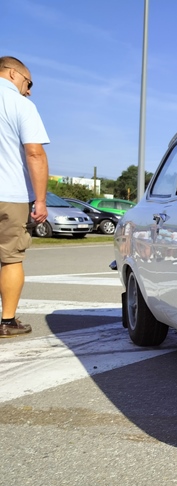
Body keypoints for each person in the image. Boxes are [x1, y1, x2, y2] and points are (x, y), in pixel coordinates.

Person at [0, 56, 49, 338]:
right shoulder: (21, 105)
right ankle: (7, 321)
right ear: (12, 73)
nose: (28, 90)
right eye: (28, 83)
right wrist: (40, 200)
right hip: (10, 194)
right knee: (10, 258)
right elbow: (34, 153)